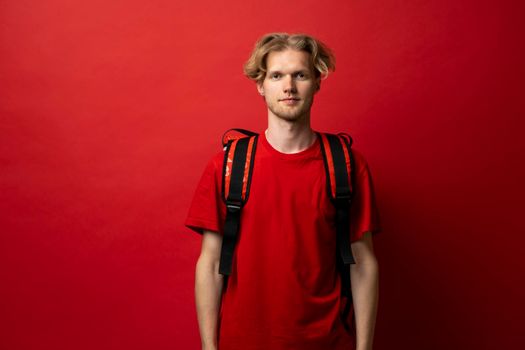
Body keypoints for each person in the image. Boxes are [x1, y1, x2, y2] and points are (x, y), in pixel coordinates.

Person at [184, 32, 382, 350]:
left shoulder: (345, 164)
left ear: (317, 82)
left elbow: (363, 261)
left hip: (326, 342)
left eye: (300, 75)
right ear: (261, 85)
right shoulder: (228, 165)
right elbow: (209, 264)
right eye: (276, 76)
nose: (288, 86)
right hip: (242, 343)